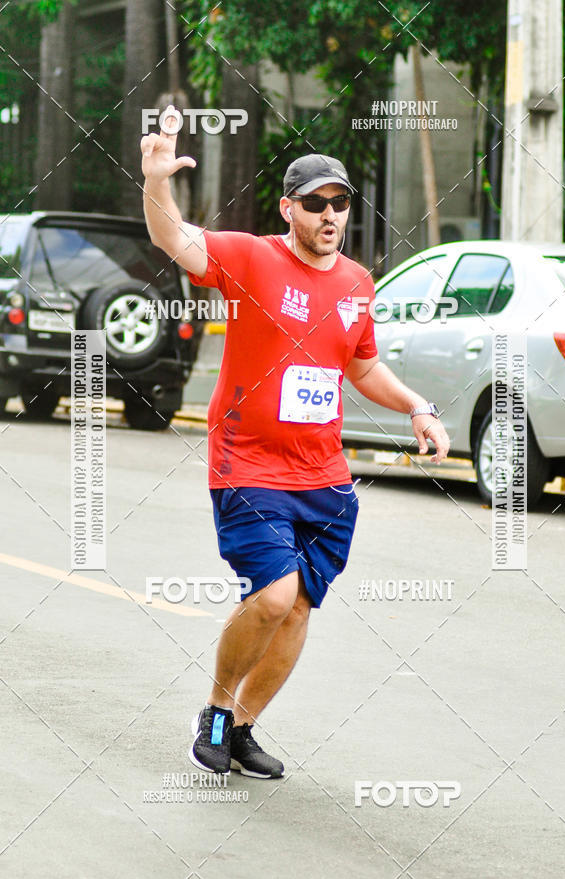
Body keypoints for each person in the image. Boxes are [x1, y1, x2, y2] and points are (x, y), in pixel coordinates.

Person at [140, 106, 450, 780]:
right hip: (247, 462)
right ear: (289, 208)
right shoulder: (252, 256)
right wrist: (156, 181)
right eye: (315, 204)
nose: (330, 215)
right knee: (274, 594)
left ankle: (245, 727)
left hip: (325, 480)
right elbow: (176, 240)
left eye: (339, 203)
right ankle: (217, 713)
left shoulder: (357, 284)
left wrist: (419, 407)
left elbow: (362, 367)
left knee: (300, 605)